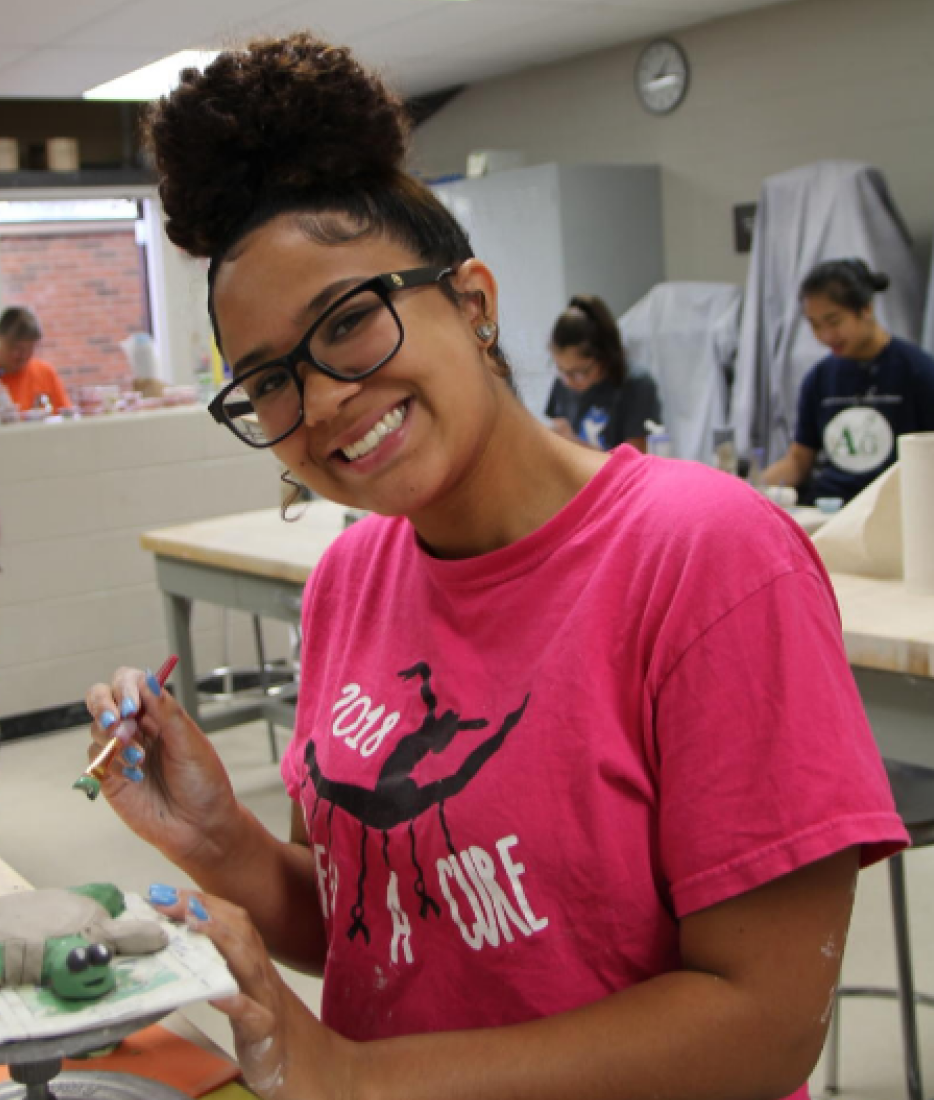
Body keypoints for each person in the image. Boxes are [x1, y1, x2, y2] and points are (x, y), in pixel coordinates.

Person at [84, 34, 906, 1100]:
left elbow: (762, 1020)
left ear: (471, 300)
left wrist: (358, 1075)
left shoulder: (705, 556)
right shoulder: (348, 578)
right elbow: (372, 920)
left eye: (348, 324)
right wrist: (220, 838)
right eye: (269, 381)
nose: (324, 399)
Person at [764, 259, 934, 503]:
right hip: (831, 505)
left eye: (834, 322)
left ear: (866, 309)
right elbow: (799, 462)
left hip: (899, 504)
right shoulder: (819, 379)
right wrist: (747, 486)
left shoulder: (918, 370)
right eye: (815, 325)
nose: (825, 336)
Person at [545, 295, 661, 452]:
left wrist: (573, 443)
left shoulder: (636, 385)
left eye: (578, 373)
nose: (568, 382)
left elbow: (634, 466)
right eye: (560, 369)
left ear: (604, 357)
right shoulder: (564, 379)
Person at [0, 307, 71, 413]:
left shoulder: (44, 373)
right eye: (13, 347)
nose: (19, 356)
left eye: (27, 350)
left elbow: (66, 420)